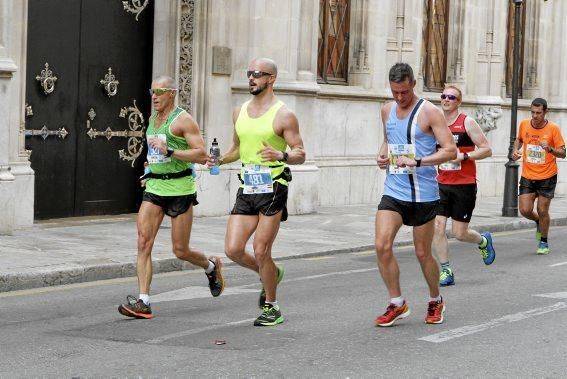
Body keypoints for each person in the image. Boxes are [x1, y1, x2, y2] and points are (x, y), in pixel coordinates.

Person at [207, 58, 305, 326]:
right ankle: (272, 272)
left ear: (271, 78)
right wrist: (220, 160)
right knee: (233, 249)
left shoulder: (284, 114)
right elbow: (237, 148)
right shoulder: (239, 112)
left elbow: (300, 153)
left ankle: (272, 307)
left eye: (257, 74)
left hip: (273, 185)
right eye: (249, 74)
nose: (251, 78)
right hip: (247, 186)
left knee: (261, 250)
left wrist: (281, 154)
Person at [118, 75, 224, 319]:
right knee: (144, 242)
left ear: (172, 93)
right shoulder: (153, 118)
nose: (154, 96)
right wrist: (151, 166)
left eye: (160, 91)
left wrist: (171, 151)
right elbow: (156, 151)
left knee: (180, 250)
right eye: (152, 91)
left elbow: (201, 155)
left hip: (181, 189)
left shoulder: (183, 120)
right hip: (155, 187)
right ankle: (143, 301)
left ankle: (210, 266)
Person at [374, 63, 457, 327]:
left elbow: (450, 150)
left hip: (424, 194)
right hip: (394, 191)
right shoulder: (386, 109)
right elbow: (389, 139)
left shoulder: (430, 112)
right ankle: (397, 302)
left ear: (413, 84)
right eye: (395, 92)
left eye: (404, 92)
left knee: (422, 252)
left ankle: (435, 299)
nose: (400, 97)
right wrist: (382, 155)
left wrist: (419, 161)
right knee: (381, 245)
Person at [432, 85, 496, 287]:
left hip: (464, 185)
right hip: (441, 183)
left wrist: (465, 155)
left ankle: (483, 241)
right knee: (438, 226)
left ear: (458, 102)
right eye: (444, 96)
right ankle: (445, 269)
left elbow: (487, 149)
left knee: (460, 233)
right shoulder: (436, 124)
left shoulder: (466, 122)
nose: (446, 100)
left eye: (451, 97)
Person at [512, 98, 565, 255]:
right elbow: (519, 139)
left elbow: (563, 153)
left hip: (547, 176)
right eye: (533, 112)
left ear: (545, 112)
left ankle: (543, 241)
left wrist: (549, 149)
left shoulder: (553, 129)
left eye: (538, 113)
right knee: (525, 210)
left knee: (542, 210)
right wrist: (515, 151)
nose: (535, 116)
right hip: (528, 175)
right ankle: (537, 221)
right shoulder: (524, 124)